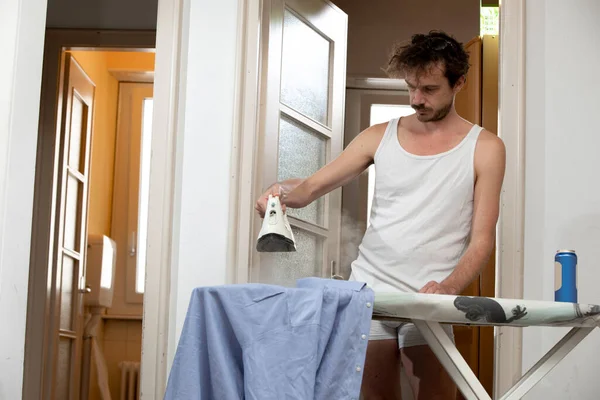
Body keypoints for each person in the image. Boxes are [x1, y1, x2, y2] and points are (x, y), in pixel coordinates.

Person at [255, 30, 506, 399]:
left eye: (429, 89)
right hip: (370, 294)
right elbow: (310, 188)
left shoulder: (485, 148)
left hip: (431, 300)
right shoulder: (379, 136)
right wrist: (278, 194)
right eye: (411, 87)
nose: (416, 100)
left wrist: (448, 289)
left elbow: (483, 239)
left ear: (459, 83)